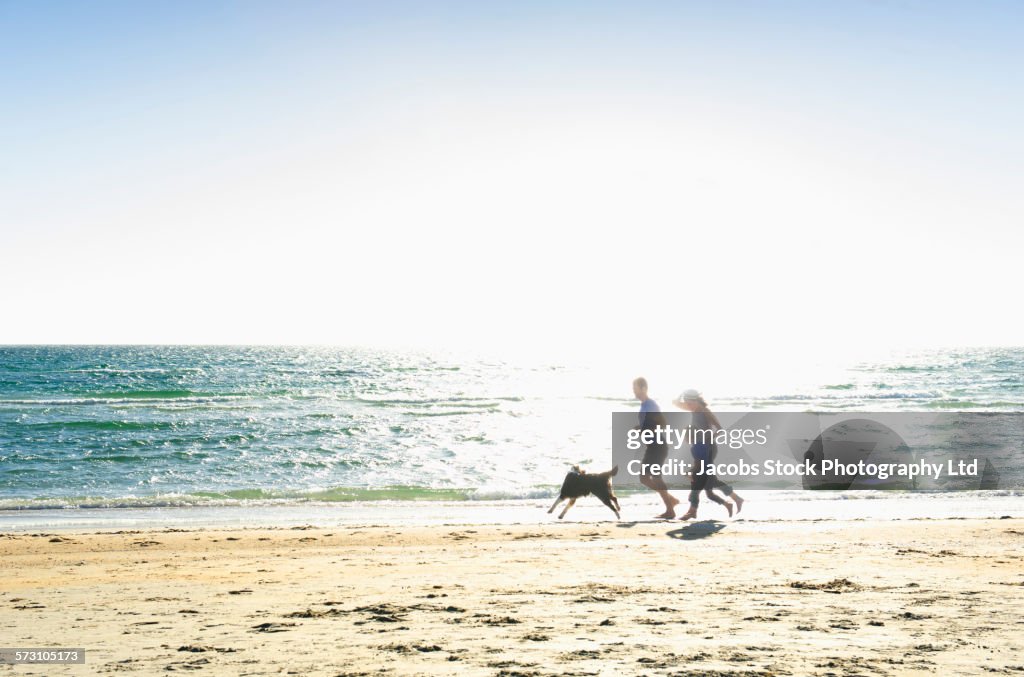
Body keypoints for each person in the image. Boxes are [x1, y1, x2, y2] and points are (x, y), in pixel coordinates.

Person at [673, 389, 745, 520]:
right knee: (710, 480)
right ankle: (736, 499)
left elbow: (720, 429)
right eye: (687, 403)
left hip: (708, 448)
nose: (688, 406)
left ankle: (692, 510)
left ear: (697, 400)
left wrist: (709, 439)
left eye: (690, 403)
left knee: (698, 479)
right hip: (699, 447)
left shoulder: (705, 411)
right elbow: (675, 402)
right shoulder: (693, 409)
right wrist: (682, 393)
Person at [632, 377, 681, 519]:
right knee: (644, 478)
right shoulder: (644, 406)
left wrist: (648, 430)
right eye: (633, 388)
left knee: (655, 477)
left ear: (643, 388)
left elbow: (663, 423)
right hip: (652, 447)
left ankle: (670, 510)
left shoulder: (650, 405)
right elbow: (649, 424)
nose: (633, 391)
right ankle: (670, 500)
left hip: (658, 446)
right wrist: (640, 428)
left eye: (635, 388)